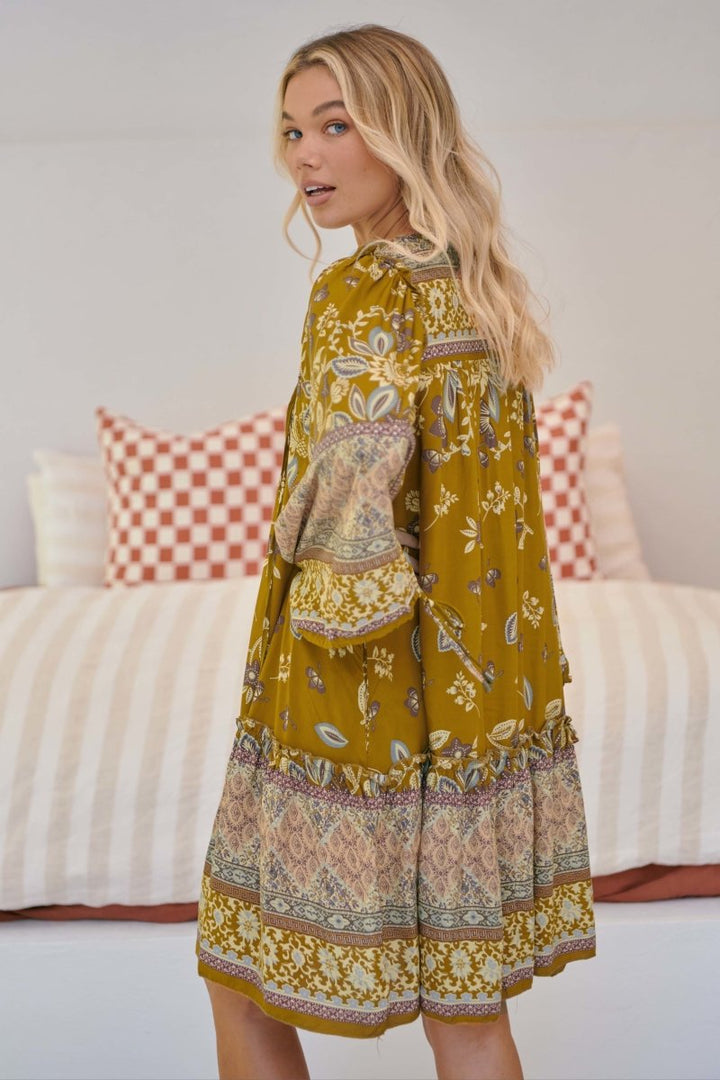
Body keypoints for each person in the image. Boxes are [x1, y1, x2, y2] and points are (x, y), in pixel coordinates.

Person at [195, 23, 597, 1080]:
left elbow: (349, 507)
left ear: (402, 131)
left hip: (356, 681)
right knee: (464, 1008)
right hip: (484, 690)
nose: (306, 156)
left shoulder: (361, 292)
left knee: (238, 972)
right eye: (293, 131)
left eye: (336, 125)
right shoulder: (479, 288)